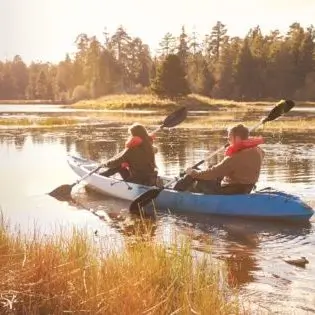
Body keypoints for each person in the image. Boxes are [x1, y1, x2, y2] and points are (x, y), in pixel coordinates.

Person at [178, 123, 265, 195]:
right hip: (246, 188)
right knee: (209, 169)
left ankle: (176, 192)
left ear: (237, 138)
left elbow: (212, 173)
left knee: (194, 174)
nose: (228, 141)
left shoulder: (234, 158)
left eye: (229, 138)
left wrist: (193, 173)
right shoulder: (258, 151)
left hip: (229, 191)